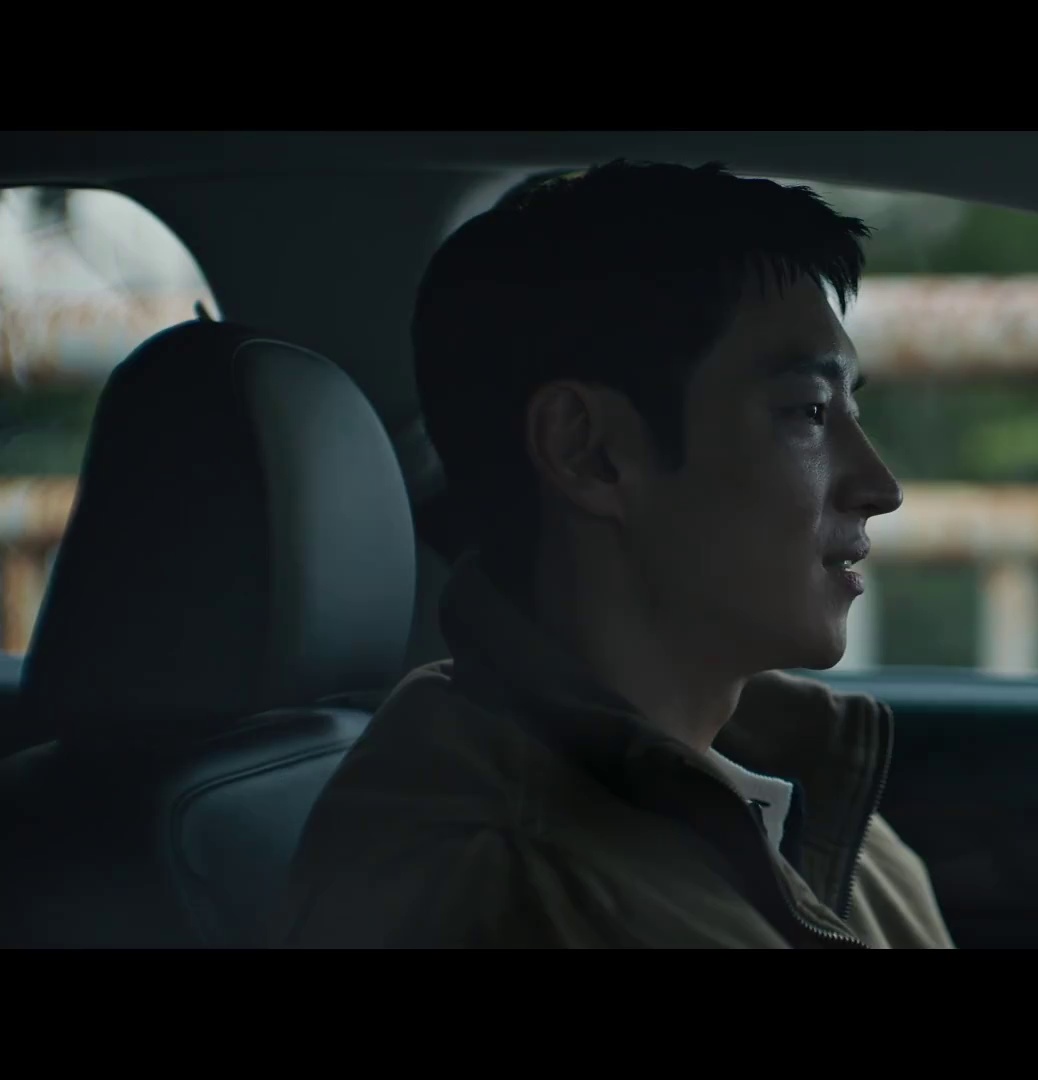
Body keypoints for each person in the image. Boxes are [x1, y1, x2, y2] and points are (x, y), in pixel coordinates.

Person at [279, 161, 954, 948]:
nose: (880, 487)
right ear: (590, 452)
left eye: (848, 410)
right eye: (807, 411)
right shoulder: (514, 894)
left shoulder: (799, 802)